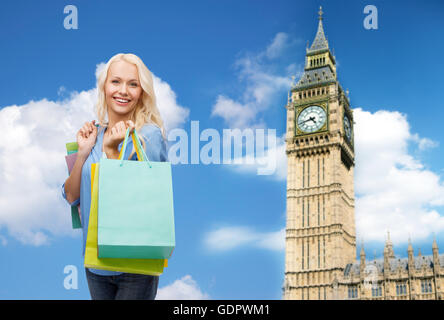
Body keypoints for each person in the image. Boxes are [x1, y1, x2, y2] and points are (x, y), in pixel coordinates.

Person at [62, 53, 167, 300]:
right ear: (104, 87)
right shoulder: (92, 135)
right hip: (95, 263)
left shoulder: (148, 136)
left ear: (142, 92)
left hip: (135, 263)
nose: (124, 91)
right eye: (116, 82)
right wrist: (84, 152)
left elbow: (144, 199)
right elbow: (71, 196)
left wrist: (110, 151)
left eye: (133, 84)